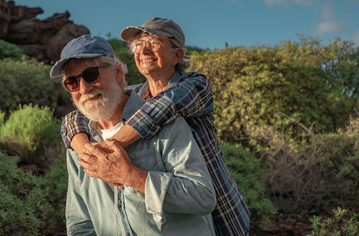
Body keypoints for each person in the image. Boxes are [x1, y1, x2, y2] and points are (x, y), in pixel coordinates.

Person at [61, 18, 250, 235]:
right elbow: (75, 116)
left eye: (154, 41)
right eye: (138, 45)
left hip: (222, 211)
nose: (143, 50)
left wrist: (109, 153)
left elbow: (161, 108)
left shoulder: (195, 85)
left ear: (177, 55)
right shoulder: (137, 94)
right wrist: (86, 150)